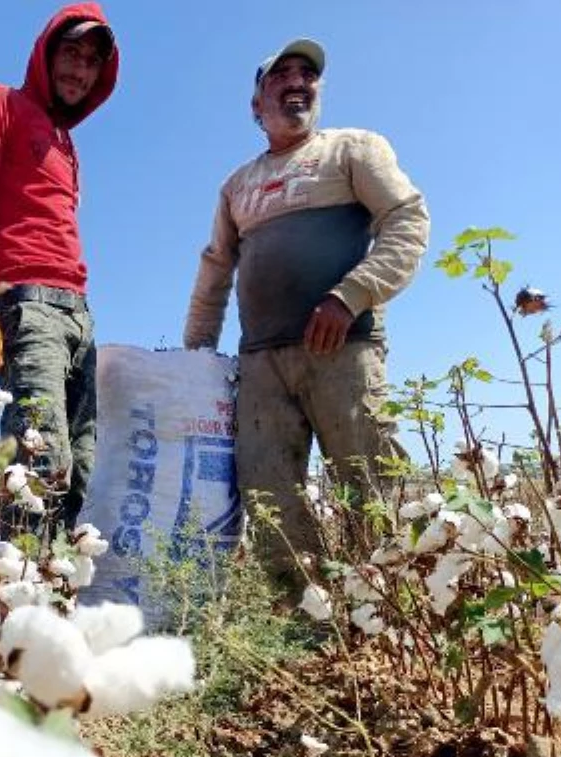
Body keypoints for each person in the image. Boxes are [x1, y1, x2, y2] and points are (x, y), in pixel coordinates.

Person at [182, 38, 430, 591]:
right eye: (282, 75)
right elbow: (214, 272)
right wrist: (196, 357)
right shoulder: (237, 185)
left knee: (370, 480)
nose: (298, 82)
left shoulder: (353, 149)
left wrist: (350, 296)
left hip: (344, 348)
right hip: (262, 365)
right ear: (256, 104)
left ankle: (390, 615)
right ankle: (303, 621)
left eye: (307, 75)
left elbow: (407, 221)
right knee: (269, 493)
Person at [0, 3, 119, 539]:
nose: (80, 68)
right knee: (39, 464)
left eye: (92, 60)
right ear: (45, 54)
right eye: (70, 52)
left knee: (85, 468)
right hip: (26, 306)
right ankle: (21, 609)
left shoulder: (68, 146)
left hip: (78, 314)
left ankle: (56, 601)